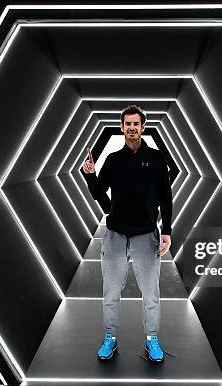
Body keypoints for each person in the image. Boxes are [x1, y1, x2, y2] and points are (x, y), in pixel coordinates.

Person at [83, 104, 173, 362]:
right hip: (115, 235)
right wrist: (90, 177)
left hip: (146, 234)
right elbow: (103, 199)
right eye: (127, 124)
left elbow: (166, 197)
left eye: (136, 123)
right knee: (111, 291)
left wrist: (166, 230)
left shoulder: (156, 159)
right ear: (122, 128)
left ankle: (152, 339)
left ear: (142, 127)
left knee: (150, 292)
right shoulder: (113, 159)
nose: (131, 127)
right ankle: (110, 338)